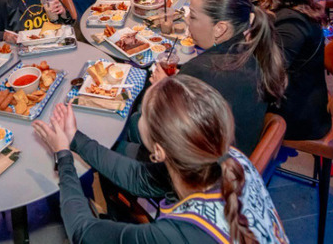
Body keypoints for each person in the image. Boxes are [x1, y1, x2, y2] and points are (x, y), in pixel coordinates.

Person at [33, 78, 290, 244]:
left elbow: (83, 232)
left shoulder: (176, 235)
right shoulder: (229, 157)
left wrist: (63, 158)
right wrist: (74, 139)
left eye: (142, 114)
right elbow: (136, 176)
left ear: (158, 151)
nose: (139, 118)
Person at [150, 0, 287, 154]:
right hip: (236, 154)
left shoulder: (203, 70)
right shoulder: (252, 51)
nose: (187, 20)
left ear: (220, 28)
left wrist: (162, 88)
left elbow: (168, 130)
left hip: (209, 168)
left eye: (192, 16)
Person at [255, 0, 331, 141]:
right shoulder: (294, 8)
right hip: (301, 96)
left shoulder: (291, 23)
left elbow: (270, 74)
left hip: (297, 114)